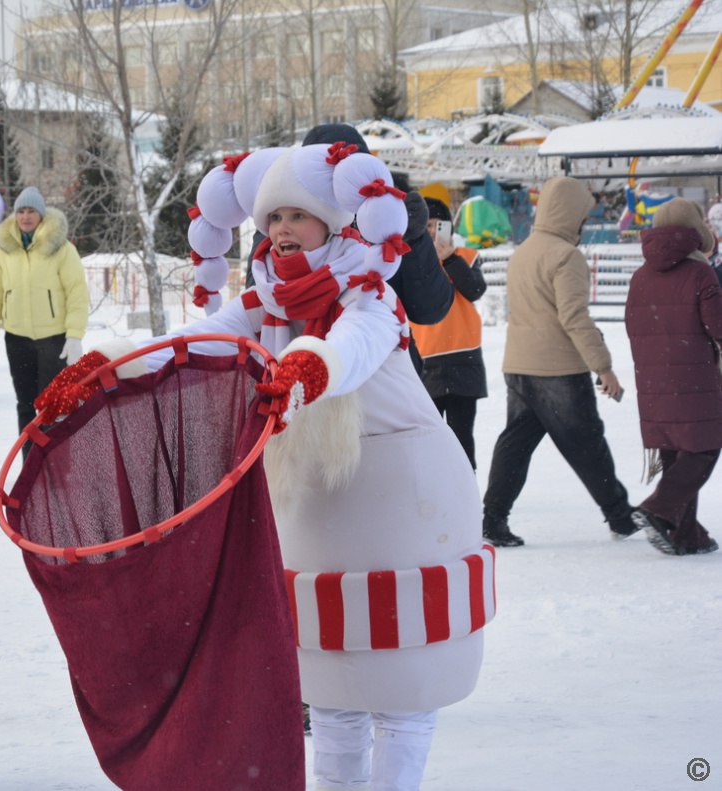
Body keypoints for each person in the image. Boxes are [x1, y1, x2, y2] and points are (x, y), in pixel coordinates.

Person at [51, 143, 493, 791]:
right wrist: (111, 364)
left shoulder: (367, 294)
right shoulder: (263, 304)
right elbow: (195, 343)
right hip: (321, 504)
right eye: (273, 216)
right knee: (334, 689)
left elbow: (355, 344)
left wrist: (310, 367)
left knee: (402, 689)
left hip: (405, 496)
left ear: (334, 222)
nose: (282, 227)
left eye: (297, 214)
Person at [482, 176, 639, 548]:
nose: (583, 226)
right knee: (586, 442)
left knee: (515, 444)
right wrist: (603, 367)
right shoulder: (565, 256)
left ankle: (493, 517)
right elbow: (574, 317)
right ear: (571, 215)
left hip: (519, 366)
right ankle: (620, 516)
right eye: (582, 218)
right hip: (557, 370)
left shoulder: (525, 251)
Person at [243, 123, 455, 365]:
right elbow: (258, 301)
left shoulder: (385, 220)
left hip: (378, 376)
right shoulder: (280, 229)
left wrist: (416, 241)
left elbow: (430, 310)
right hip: (295, 370)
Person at [624, 198, 722, 555]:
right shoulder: (700, 272)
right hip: (694, 376)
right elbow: (718, 325)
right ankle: (657, 509)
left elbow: (633, 325)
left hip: (653, 378)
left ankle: (685, 535)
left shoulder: (640, 275)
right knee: (703, 448)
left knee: (675, 455)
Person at [0, 185, 89, 441]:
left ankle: (55, 468)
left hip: (54, 339)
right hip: (17, 340)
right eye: (21, 211)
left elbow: (76, 293)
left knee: (54, 407)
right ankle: (30, 467)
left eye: (31, 211)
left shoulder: (61, 249)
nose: (25, 217)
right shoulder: (4, 251)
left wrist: (74, 336)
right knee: (26, 405)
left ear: (41, 215)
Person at [410, 197, 487, 468]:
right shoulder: (410, 262)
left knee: (462, 434)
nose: (431, 230)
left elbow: (475, 290)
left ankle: (465, 490)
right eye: (426, 224)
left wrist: (450, 259)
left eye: (437, 224)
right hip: (425, 359)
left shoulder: (465, 257)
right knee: (426, 436)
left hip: (464, 358)